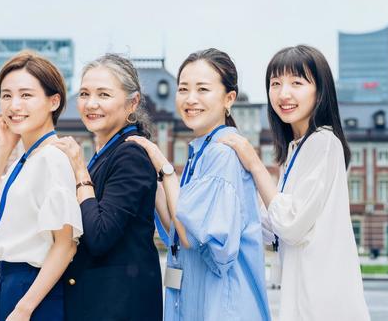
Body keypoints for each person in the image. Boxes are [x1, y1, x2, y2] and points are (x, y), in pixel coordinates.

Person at [218, 45, 370, 321]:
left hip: (323, 302)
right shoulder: (296, 149)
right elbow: (270, 227)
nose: (283, 93)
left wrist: (253, 164)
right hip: (305, 294)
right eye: (275, 83)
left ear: (320, 91)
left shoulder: (324, 142)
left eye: (296, 83)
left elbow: (290, 224)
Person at [128, 48, 271, 321]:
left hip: (222, 308)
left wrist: (165, 169)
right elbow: (176, 227)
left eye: (202, 89)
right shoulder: (202, 151)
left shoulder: (222, 153)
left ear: (229, 98)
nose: (190, 99)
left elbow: (190, 235)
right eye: (183, 89)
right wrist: (150, 170)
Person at [0, 51, 83, 321]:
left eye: (26, 95)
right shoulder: (25, 160)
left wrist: (24, 308)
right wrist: (3, 151)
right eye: (6, 95)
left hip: (33, 288)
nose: (13, 105)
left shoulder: (53, 158)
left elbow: (65, 245)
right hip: (11, 283)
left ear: (53, 101)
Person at [52, 54, 163, 321]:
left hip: (118, 306)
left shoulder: (130, 155)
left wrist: (79, 170)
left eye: (104, 94)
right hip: (105, 303)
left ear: (132, 102)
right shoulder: (108, 153)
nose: (91, 104)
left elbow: (100, 235)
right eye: (85, 94)